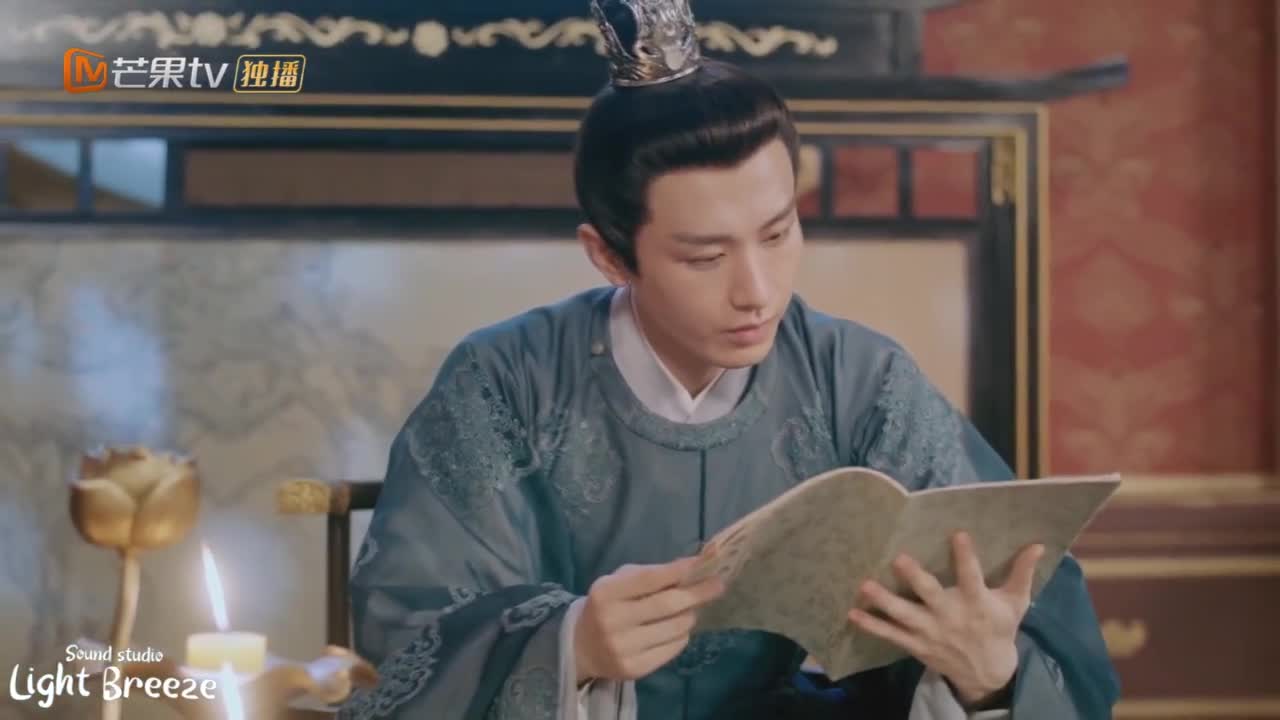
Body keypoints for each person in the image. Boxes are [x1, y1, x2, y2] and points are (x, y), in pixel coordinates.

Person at [338, 0, 1121, 718]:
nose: (758, 292)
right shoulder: (504, 383)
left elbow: (1030, 608)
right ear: (608, 255)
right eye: (705, 257)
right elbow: (411, 634)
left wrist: (986, 675)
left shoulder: (859, 380)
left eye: (778, 234)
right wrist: (572, 644)